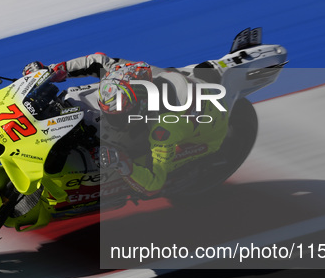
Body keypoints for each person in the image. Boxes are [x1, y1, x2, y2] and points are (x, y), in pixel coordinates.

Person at [22, 53, 229, 197]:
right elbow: (97, 61)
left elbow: (154, 184)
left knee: (133, 156)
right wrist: (54, 71)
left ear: (138, 109)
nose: (110, 117)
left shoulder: (162, 130)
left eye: (117, 116)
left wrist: (121, 162)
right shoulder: (131, 74)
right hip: (183, 85)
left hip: (205, 136)